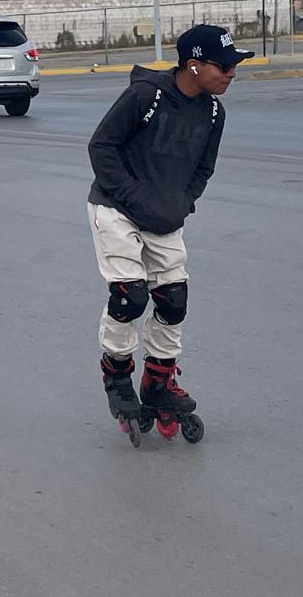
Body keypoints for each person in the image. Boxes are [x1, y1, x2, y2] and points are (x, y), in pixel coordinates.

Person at [88, 24, 249, 440]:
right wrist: (133, 195)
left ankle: (158, 381)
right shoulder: (146, 96)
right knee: (130, 295)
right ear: (193, 65)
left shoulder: (214, 112)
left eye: (235, 66)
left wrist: (182, 202)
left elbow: (203, 169)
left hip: (165, 215)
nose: (232, 73)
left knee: (174, 299)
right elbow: (101, 147)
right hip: (116, 207)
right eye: (225, 66)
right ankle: (118, 374)